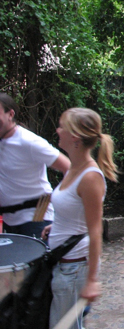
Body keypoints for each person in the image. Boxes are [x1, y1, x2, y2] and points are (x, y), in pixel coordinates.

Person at [42, 108, 117, 329]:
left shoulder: (90, 177)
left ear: (74, 136)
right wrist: (56, 227)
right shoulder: (73, 168)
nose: (57, 130)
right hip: (63, 261)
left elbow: (95, 232)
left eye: (62, 125)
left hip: (74, 269)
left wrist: (92, 279)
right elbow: (74, 214)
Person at [0, 93, 70, 237]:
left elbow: (68, 167)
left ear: (10, 114)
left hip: (37, 218)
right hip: (9, 220)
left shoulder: (28, 141)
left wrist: (63, 206)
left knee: (37, 259)